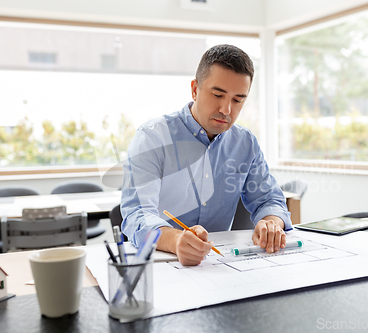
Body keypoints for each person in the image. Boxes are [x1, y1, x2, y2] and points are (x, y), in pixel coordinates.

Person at [121, 44, 292, 266]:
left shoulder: (245, 143)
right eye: (218, 94)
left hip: (219, 265)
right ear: (195, 89)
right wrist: (175, 240)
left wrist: (271, 223)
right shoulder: (152, 138)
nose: (226, 110)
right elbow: (137, 213)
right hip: (162, 263)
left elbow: (269, 200)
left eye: (238, 100)